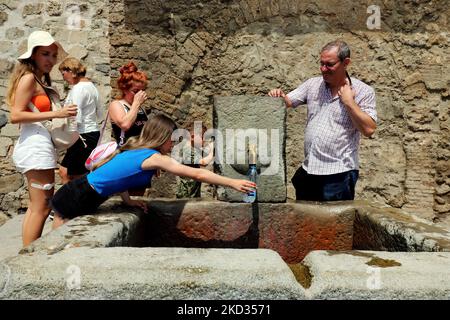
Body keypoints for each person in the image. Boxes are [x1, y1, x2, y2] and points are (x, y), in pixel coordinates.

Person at [50, 114, 256, 228]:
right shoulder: (152, 157)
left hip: (85, 193)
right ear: (162, 136)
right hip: (78, 195)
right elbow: (196, 173)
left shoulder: (138, 149)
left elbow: (119, 178)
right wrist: (233, 183)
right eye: (172, 139)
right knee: (59, 248)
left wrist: (128, 201)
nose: (174, 144)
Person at [268, 40, 377, 201]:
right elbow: (287, 102)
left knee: (335, 226)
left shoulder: (363, 91)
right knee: (304, 223)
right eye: (321, 64)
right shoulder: (313, 85)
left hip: (339, 175)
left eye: (329, 64)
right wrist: (278, 96)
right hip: (309, 171)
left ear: (345, 63)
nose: (323, 69)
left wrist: (349, 103)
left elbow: (369, 129)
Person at [6, 30, 77, 246]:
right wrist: (57, 113)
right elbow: (15, 116)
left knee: (38, 207)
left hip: (39, 144)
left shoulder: (37, 79)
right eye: (46, 54)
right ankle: (28, 259)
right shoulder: (29, 78)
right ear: (33, 54)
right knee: (42, 207)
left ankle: (26, 256)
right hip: (35, 147)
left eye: (54, 55)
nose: (51, 60)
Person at [58, 57, 103, 184]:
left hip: (82, 136)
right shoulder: (91, 87)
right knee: (64, 171)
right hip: (88, 134)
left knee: (78, 176)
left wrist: (68, 139)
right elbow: (99, 113)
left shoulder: (79, 88)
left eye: (63, 73)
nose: (63, 78)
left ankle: (77, 202)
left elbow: (74, 116)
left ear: (71, 71)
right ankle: (68, 201)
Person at [109, 61, 148, 147]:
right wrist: (136, 104)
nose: (139, 94)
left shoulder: (140, 107)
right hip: (125, 151)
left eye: (142, 90)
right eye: (135, 91)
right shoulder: (116, 105)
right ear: (124, 89)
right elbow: (125, 125)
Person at [175, 121, 214, 198]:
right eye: (202, 137)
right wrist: (212, 149)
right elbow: (203, 162)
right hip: (185, 194)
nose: (203, 141)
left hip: (192, 191)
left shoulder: (193, 148)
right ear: (193, 137)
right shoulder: (186, 150)